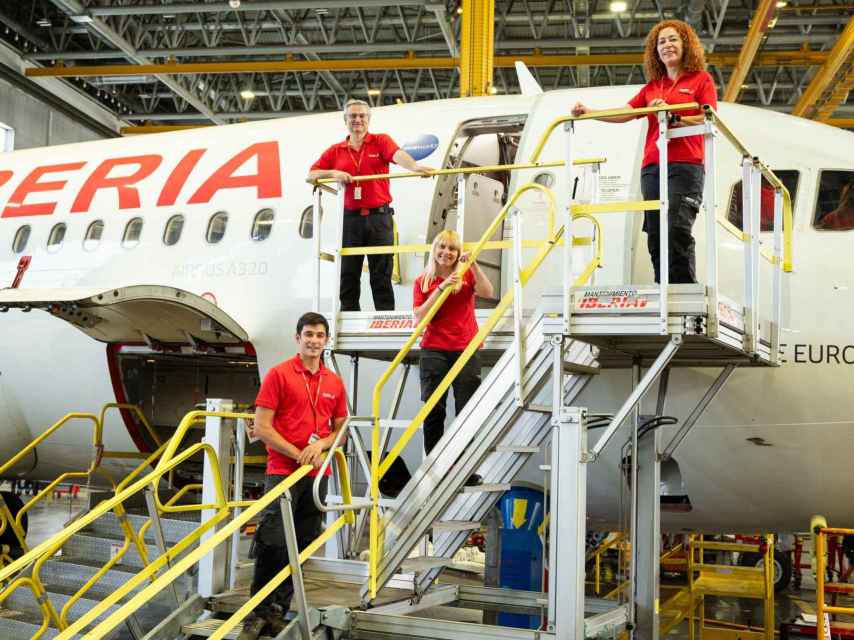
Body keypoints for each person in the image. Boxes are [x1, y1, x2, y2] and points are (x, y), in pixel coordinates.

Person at [571, 19, 717, 284]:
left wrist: (675, 117)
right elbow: (627, 113)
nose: (667, 46)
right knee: (655, 231)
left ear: (686, 45)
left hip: (685, 164)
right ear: (655, 51)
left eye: (673, 39)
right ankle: (663, 287)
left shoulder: (700, 80)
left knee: (676, 226)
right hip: (652, 166)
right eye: (661, 42)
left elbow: (709, 117)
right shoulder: (652, 88)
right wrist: (590, 113)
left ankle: (683, 288)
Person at [239, 312, 348, 640]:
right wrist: (296, 452)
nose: (314, 340)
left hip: (317, 475)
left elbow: (341, 428)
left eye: (319, 335)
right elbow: (261, 427)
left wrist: (323, 445)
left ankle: (277, 609)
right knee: (272, 542)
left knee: (302, 543)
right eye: (308, 334)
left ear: (326, 340)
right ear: (297, 338)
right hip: (283, 472)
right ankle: (256, 613)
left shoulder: (333, 382)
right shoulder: (279, 375)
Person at [308, 99, 433, 312]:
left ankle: (385, 321)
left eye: (362, 116)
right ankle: (348, 321)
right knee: (348, 273)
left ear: (368, 119)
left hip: (379, 218)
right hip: (351, 219)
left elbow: (397, 155)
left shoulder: (380, 141)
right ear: (345, 120)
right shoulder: (335, 151)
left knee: (382, 273)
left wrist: (414, 167)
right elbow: (311, 174)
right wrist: (333, 173)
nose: (357, 120)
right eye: (353, 116)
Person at [413, 230, 494, 485]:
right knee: (434, 410)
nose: (446, 253)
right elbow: (419, 316)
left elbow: (488, 292)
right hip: (434, 349)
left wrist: (474, 264)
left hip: (466, 348)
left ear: (458, 254)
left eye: (452, 249)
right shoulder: (423, 282)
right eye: (442, 247)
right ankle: (435, 467)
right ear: (434, 249)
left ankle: (463, 469)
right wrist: (440, 290)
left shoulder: (466, 274)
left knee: (466, 410)